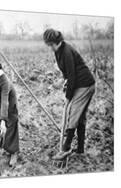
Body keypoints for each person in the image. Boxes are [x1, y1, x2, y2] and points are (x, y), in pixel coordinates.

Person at [43, 29, 95, 160]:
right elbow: (66, 74)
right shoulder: (58, 51)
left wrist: (68, 96)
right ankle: (80, 150)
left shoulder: (66, 51)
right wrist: (64, 85)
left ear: (57, 41)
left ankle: (65, 148)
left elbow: (72, 76)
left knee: (73, 113)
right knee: (80, 116)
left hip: (85, 84)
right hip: (78, 83)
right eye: (48, 45)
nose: (50, 47)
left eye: (51, 44)